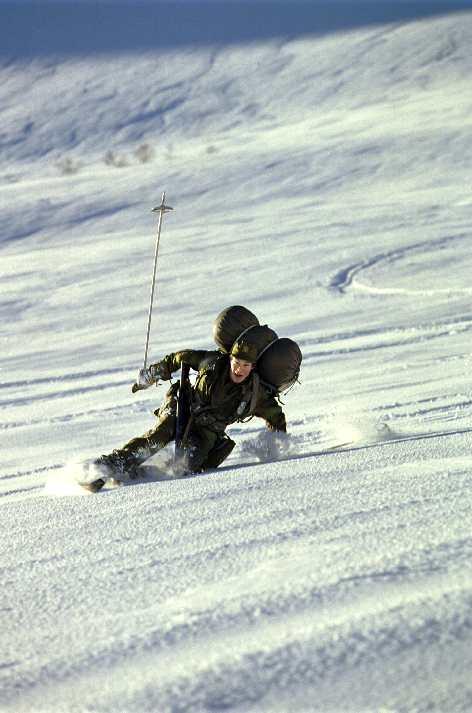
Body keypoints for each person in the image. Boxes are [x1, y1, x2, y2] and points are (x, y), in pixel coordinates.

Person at [83, 337, 287, 491]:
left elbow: (275, 416)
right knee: (159, 436)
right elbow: (179, 358)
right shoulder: (212, 362)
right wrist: (153, 374)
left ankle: (139, 475)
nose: (239, 369)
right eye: (236, 362)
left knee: (187, 462)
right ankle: (108, 465)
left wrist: (276, 445)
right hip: (183, 405)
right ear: (230, 358)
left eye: (245, 365)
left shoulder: (255, 392)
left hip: (207, 431)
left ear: (252, 368)